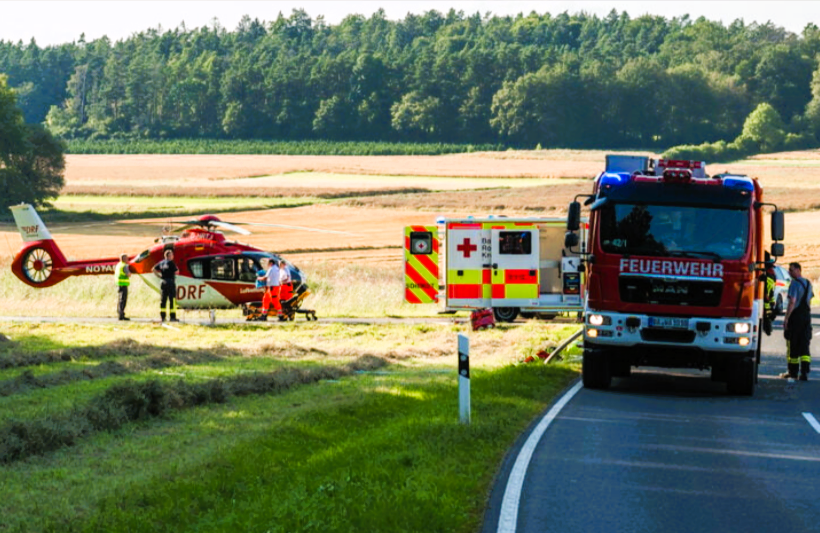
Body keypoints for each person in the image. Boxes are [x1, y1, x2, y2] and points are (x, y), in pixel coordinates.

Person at [782, 262, 814, 380]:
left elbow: (792, 302)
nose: (790, 273)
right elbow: (809, 300)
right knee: (804, 344)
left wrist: (786, 318)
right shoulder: (808, 283)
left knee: (793, 344)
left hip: (795, 318)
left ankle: (793, 372)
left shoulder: (794, 284)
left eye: (791, 270)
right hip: (806, 317)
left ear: (798, 270)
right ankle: (804, 372)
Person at [152, 249, 179, 323]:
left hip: (163, 282)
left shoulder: (161, 263)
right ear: (169, 256)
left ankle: (162, 316)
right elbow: (177, 271)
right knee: (172, 300)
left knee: (163, 300)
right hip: (170, 282)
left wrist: (159, 276)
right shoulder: (171, 263)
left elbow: (153, 269)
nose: (173, 256)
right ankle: (172, 317)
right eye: (172, 255)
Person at [114, 253, 131, 321]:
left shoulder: (119, 265)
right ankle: (121, 315)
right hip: (123, 284)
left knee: (120, 299)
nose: (128, 260)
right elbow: (128, 274)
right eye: (127, 258)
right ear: (124, 259)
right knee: (123, 300)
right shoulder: (124, 266)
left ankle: (119, 313)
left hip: (119, 284)